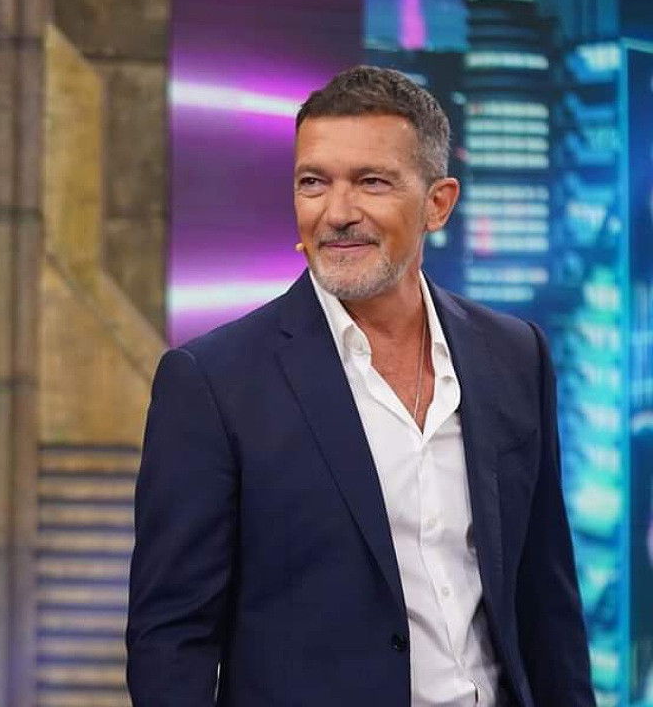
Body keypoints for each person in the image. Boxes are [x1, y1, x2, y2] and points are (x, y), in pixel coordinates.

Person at [126, 66, 593, 706]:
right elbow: (170, 639)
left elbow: (547, 602)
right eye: (313, 183)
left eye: (371, 182)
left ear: (438, 203)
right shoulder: (212, 383)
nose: (338, 213)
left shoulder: (514, 354)